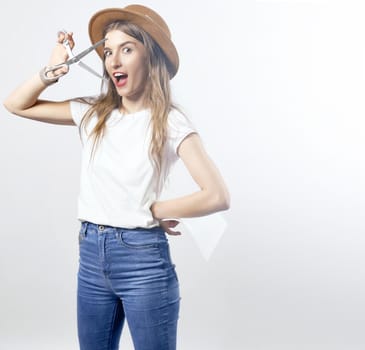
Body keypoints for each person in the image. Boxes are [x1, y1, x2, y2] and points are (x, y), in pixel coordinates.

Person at [3, 4, 230, 350]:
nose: (114, 61)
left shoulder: (168, 122)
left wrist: (154, 209)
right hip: (91, 257)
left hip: (143, 260)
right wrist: (50, 70)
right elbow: (16, 105)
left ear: (150, 57)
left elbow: (216, 195)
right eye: (108, 51)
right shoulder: (93, 114)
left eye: (126, 49)